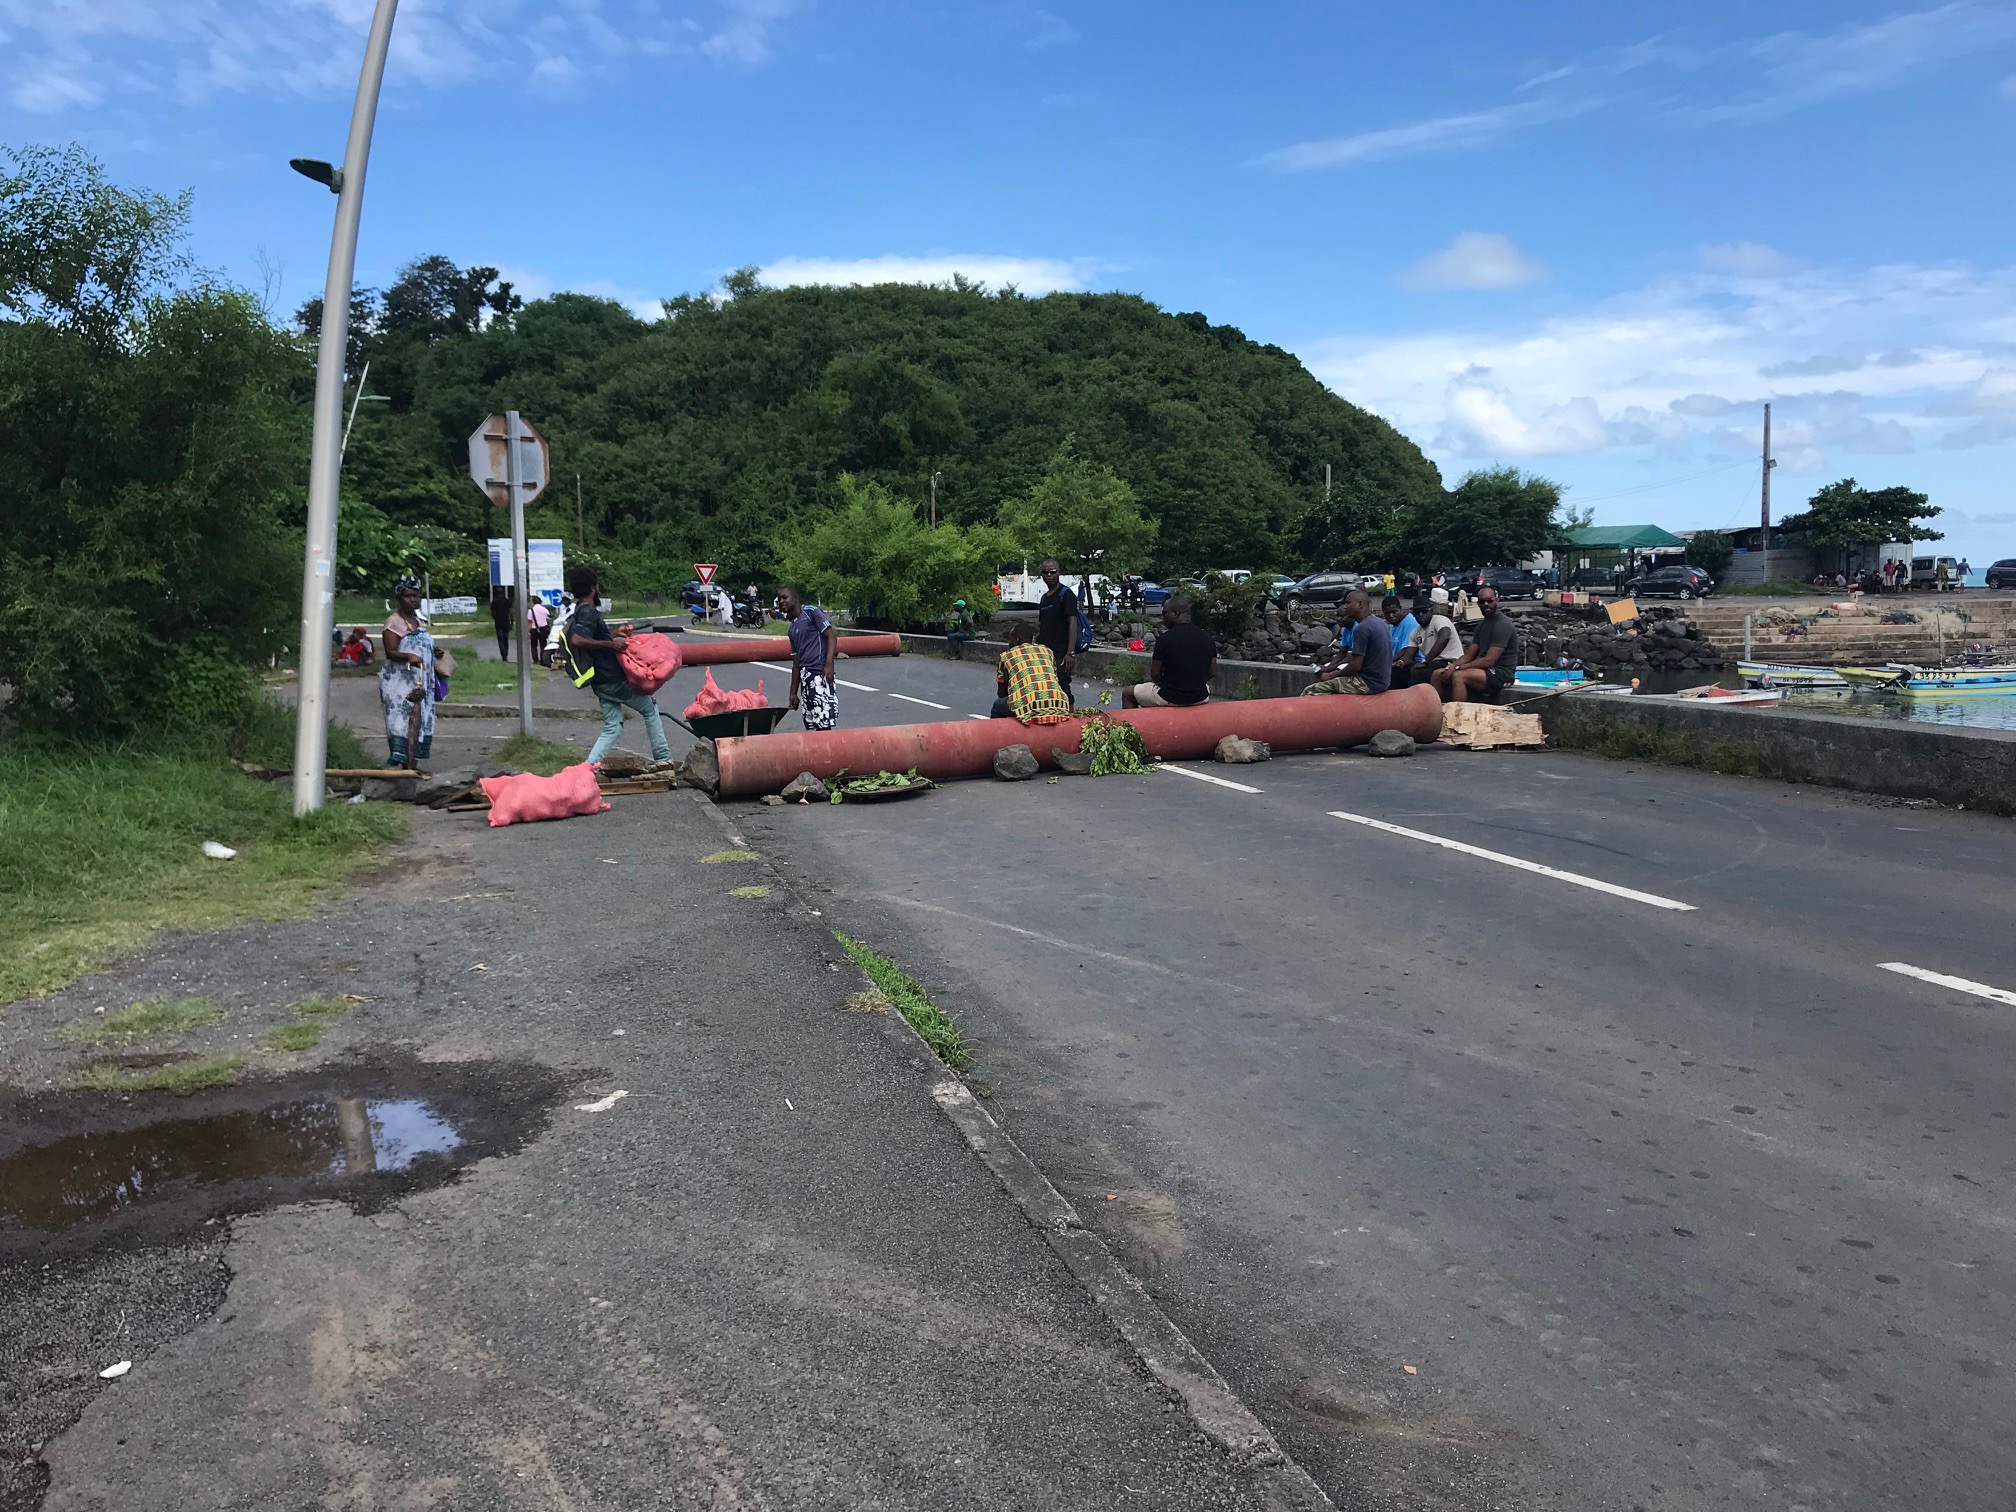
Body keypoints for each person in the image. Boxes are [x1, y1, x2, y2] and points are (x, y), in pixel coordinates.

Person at [567, 565, 673, 766]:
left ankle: (589, 768)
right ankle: (663, 759)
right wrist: (611, 644)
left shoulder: (580, 610)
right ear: (593, 588)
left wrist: (614, 634)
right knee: (650, 709)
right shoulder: (588, 611)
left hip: (600, 681)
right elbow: (577, 639)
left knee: (612, 726)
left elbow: (591, 635)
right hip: (611, 678)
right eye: (597, 586)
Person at [379, 577, 435, 768]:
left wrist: (433, 651)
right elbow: (390, 651)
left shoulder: (418, 621)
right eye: (407, 596)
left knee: (418, 719)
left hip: (418, 681)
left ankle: (412, 763)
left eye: (416, 596)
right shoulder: (393, 622)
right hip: (399, 684)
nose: (412, 599)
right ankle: (404, 762)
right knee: (402, 721)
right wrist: (408, 656)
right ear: (399, 598)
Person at [1122, 595, 1217, 707]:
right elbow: (1212, 672)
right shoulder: (1207, 638)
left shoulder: (1165, 639)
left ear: (1175, 613)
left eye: (1164, 613)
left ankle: (1133, 719)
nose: (1163, 618)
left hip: (1170, 697)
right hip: (1199, 696)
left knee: (1127, 694)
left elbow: (1155, 674)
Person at [1432, 586, 1520, 703]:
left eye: (1490, 601)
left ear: (1496, 601)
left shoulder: (1502, 625)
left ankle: (1458, 712)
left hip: (1501, 673)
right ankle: (1437, 711)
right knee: (1437, 674)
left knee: (1459, 676)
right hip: (1484, 670)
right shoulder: (1481, 625)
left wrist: (1458, 668)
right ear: (1478, 603)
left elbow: (1489, 660)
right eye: (1482, 602)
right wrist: (1452, 666)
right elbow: (1469, 655)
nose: (1486, 604)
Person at [1302, 588, 1391, 696]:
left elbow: (1355, 666)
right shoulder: (1379, 622)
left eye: (1348, 603)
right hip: (1382, 682)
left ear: (1360, 605)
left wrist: (1331, 675)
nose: (1345, 606)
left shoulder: (1362, 629)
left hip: (1367, 683)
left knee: (1311, 690)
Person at [777, 584, 839, 731]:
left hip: (819, 675)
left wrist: (829, 664)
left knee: (824, 724)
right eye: (779, 599)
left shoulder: (811, 612)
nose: (781, 601)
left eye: (785, 597)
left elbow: (831, 636)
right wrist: (793, 692)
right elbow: (796, 664)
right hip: (806, 679)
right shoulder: (792, 629)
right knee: (811, 724)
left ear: (796, 597)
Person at [990, 621, 1072, 721]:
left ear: (1016, 639)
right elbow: (1054, 678)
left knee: (998, 705)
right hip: (1059, 703)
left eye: (1010, 639)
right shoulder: (1047, 651)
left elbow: (1001, 693)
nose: (1009, 643)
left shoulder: (1006, 656)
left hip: (1029, 706)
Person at [1036, 558, 1081, 709]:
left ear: (1059, 573)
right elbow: (1044, 626)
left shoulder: (1066, 595)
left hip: (1061, 654)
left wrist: (1070, 653)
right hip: (1046, 654)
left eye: (1052, 572)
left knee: (1064, 689)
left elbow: (1072, 623)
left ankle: (1071, 719)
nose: (1049, 575)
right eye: (1045, 572)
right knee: (1048, 690)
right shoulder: (1044, 598)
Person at [1415, 588, 1463, 676]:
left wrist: (1426, 661)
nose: (1421, 615)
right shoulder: (1415, 632)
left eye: (1424, 611)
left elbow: (1445, 636)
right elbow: (1409, 653)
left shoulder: (1440, 620)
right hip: (1433, 663)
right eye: (1417, 612)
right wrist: (1399, 662)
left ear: (1431, 610)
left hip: (1451, 661)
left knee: (1419, 674)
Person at [1382, 595, 1422, 687]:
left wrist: (1388, 662)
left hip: (1412, 662)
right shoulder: (1393, 625)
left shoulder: (1410, 623)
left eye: (1394, 612)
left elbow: (1406, 649)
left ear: (1400, 608)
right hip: (1398, 661)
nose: (1391, 616)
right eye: (1387, 613)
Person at [489, 584, 513, 661]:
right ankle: (506, 653)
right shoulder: (507, 601)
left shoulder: (494, 602)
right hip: (506, 622)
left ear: (496, 593)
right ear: (503, 593)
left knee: (501, 640)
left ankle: (503, 655)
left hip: (498, 623)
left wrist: (496, 618)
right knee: (506, 639)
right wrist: (512, 623)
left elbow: (493, 613)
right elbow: (511, 613)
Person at [527, 596, 551, 661]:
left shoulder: (531, 610)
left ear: (533, 602)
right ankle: (543, 660)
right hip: (543, 628)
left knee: (534, 645)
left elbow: (530, 622)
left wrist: (528, 631)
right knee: (543, 645)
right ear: (540, 602)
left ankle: (535, 659)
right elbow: (547, 620)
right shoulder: (545, 610)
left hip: (534, 629)